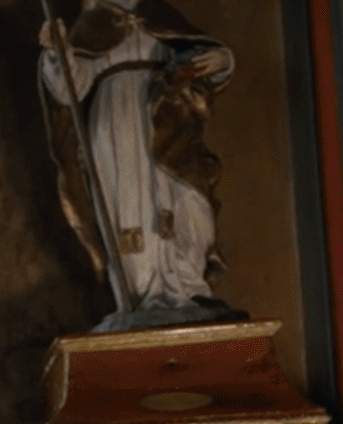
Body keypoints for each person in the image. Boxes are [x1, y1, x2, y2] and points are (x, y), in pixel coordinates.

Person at [38, 0, 239, 331]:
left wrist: (221, 60)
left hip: (167, 115)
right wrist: (58, 54)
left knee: (189, 199)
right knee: (131, 208)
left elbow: (199, 56)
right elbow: (69, 90)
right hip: (116, 119)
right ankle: (141, 298)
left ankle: (189, 287)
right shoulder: (92, 22)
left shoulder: (158, 12)